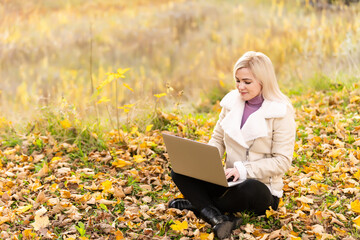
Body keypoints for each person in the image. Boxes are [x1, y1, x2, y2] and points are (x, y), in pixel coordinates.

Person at [168, 51, 296, 239]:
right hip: (228, 181)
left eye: (247, 82)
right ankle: (216, 217)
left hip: (260, 189)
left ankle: (199, 204)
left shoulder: (281, 112)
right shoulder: (231, 103)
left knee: (249, 187)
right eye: (237, 80)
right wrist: (204, 160)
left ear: (263, 81)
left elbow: (282, 161)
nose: (240, 87)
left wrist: (244, 170)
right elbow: (218, 139)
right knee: (179, 170)